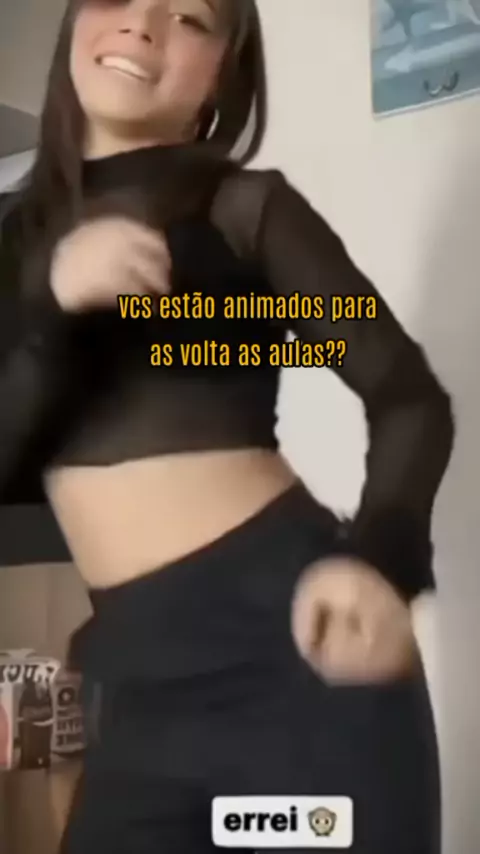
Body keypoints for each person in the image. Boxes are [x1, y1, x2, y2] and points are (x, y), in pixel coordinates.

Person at [0, 1, 454, 852]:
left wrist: (382, 560)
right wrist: (54, 309)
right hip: (135, 692)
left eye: (190, 17)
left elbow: (407, 396)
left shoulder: (246, 211)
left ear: (222, 78)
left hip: (296, 664)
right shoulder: (14, 245)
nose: (142, 25)